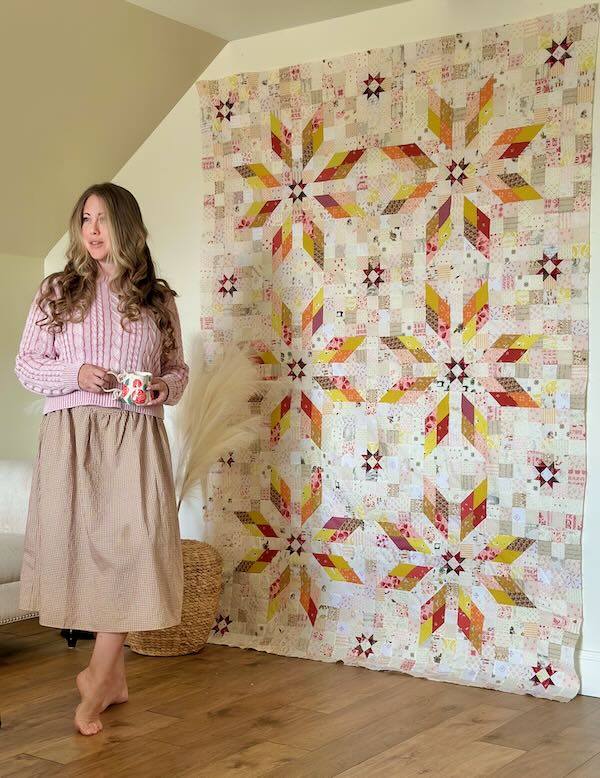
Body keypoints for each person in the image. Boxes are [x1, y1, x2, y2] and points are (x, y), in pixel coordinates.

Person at [14, 182, 189, 736]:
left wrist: (163, 386)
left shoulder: (157, 299)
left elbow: (178, 371)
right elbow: (26, 366)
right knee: (89, 554)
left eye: (103, 219)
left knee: (135, 550)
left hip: (136, 436)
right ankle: (109, 681)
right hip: (74, 435)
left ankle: (99, 676)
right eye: (85, 218)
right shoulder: (58, 291)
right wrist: (76, 374)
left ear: (127, 226)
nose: (91, 229)